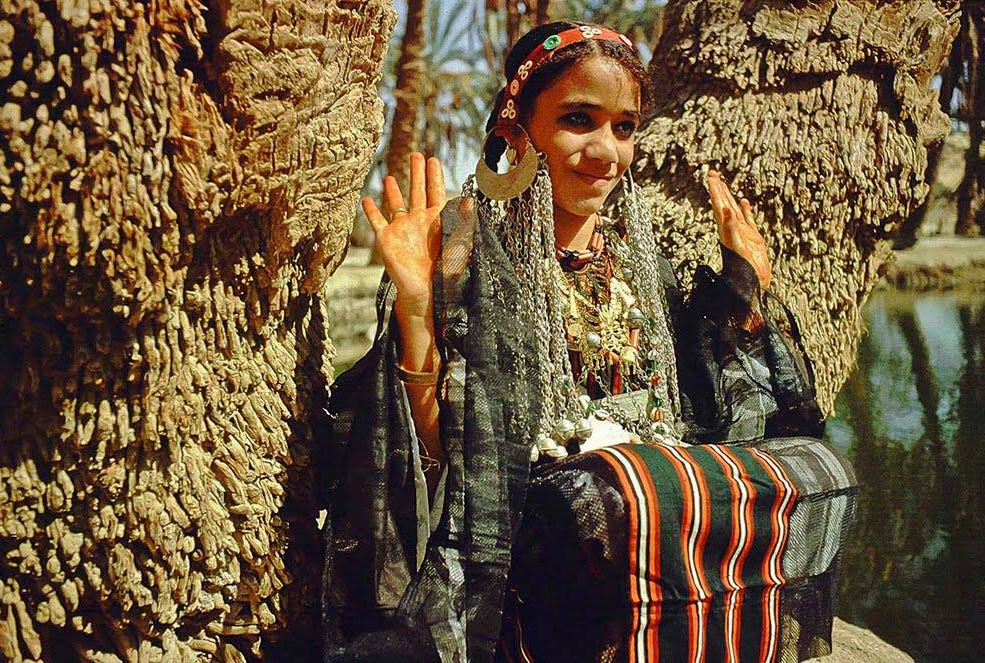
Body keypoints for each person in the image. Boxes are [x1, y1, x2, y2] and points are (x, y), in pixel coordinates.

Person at [320, 21, 857, 663]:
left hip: (653, 509)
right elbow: (431, 467)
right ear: (518, 129)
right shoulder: (464, 254)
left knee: (825, 472)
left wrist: (744, 295)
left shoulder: (647, 264)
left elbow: (729, 422)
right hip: (534, 531)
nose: (607, 151)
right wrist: (416, 308)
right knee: (617, 494)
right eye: (580, 119)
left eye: (624, 127)